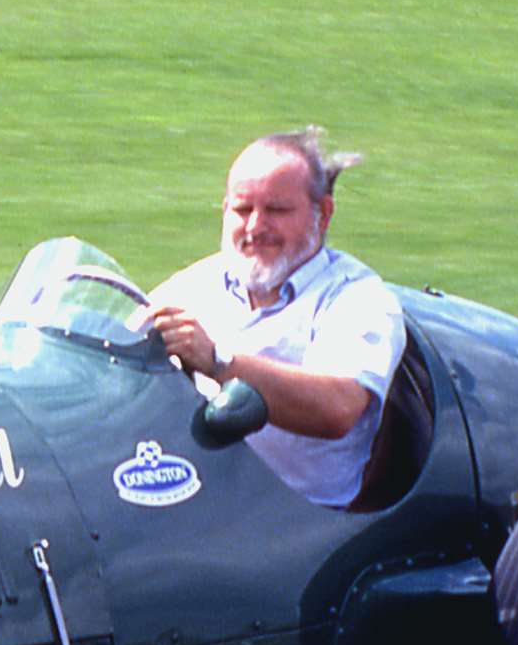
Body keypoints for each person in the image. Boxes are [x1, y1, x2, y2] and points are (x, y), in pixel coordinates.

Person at [130, 128, 406, 508]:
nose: (256, 227)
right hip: (194, 502)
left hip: (302, 523)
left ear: (322, 214)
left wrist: (217, 361)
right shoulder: (197, 284)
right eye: (243, 210)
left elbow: (338, 407)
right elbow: (121, 346)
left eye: (276, 210)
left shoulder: (355, 298)